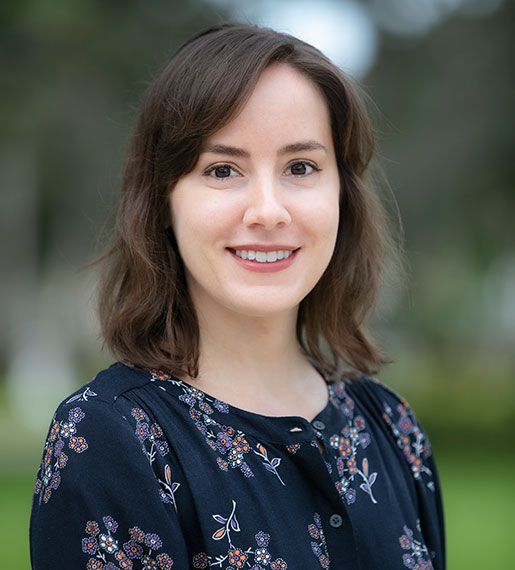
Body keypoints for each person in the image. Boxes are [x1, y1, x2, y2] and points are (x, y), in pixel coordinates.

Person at [29, 22, 445, 570]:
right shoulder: (110, 442)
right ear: (163, 203)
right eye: (223, 170)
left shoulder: (393, 428)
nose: (269, 211)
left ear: (342, 194)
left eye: (301, 167)